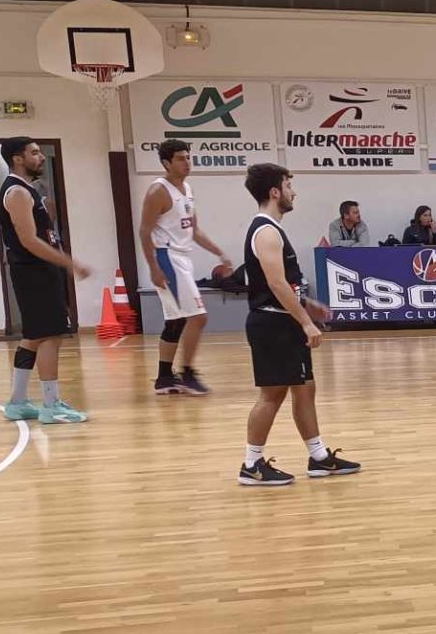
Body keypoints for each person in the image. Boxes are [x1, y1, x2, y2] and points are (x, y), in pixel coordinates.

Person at [237, 164, 360, 486]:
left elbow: (285, 286)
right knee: (271, 395)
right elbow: (276, 284)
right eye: (289, 186)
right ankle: (251, 464)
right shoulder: (266, 231)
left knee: (305, 388)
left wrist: (307, 305)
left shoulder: (272, 229)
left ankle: (318, 457)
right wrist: (306, 322)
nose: (294, 192)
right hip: (272, 324)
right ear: (274, 191)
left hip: (284, 321)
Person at [0, 137, 93, 425]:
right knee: (51, 334)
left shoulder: (29, 190)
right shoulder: (17, 192)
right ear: (18, 158)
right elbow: (28, 240)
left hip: (35, 270)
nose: (40, 157)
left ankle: (17, 402)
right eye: (35, 153)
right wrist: (69, 262)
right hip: (34, 270)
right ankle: (51, 405)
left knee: (34, 336)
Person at [140, 139, 231, 397]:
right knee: (199, 317)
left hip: (182, 258)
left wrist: (220, 253)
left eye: (188, 157)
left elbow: (194, 230)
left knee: (176, 320)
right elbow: (144, 232)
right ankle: (188, 374)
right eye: (180, 158)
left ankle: (164, 378)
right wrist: (153, 267)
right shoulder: (158, 191)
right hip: (166, 257)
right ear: (166, 163)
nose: (187, 162)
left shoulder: (187, 189)